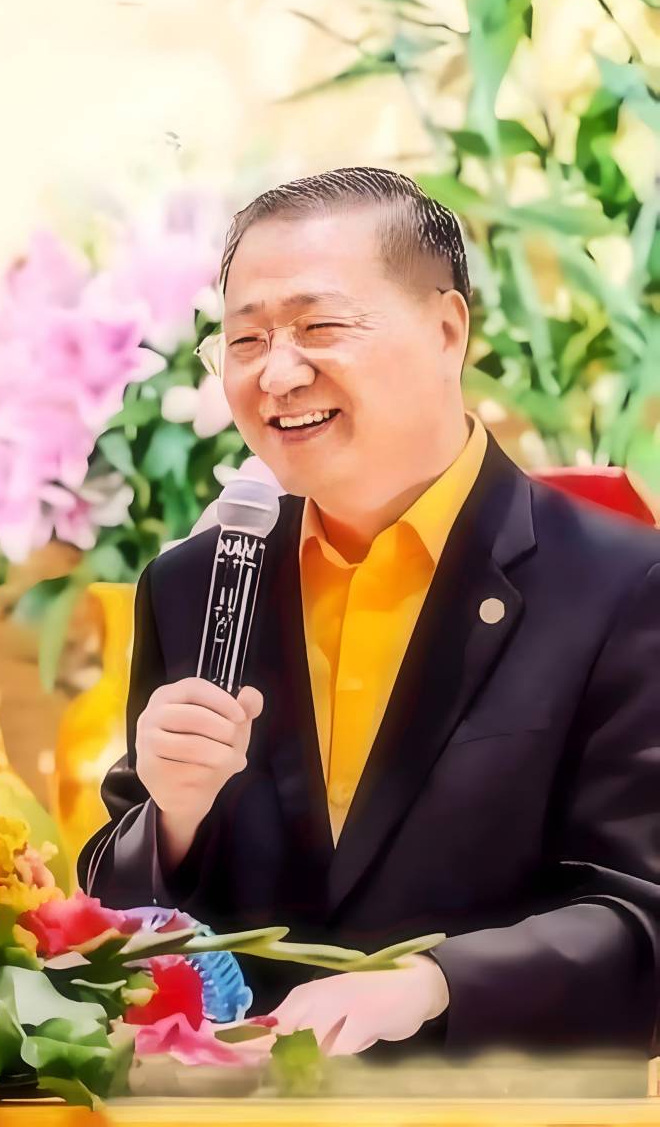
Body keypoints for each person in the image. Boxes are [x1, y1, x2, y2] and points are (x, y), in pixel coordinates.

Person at [76, 166, 660, 1059]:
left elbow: (643, 916)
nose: (278, 373)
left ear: (446, 330)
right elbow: (108, 924)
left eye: (319, 327)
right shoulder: (195, 587)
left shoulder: (621, 583)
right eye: (245, 339)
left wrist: (433, 985)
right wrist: (172, 823)